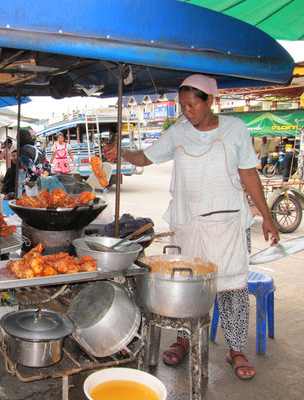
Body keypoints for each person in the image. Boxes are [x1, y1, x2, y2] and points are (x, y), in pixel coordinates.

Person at [104, 74, 279, 380]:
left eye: (192, 104)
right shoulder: (179, 132)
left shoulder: (235, 129)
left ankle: (235, 348)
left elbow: (249, 175)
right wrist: (121, 153)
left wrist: (267, 216)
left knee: (231, 288)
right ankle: (183, 339)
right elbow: (146, 158)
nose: (186, 111)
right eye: (182, 105)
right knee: (186, 287)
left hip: (226, 224)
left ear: (210, 101)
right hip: (189, 222)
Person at [18, 129, 51, 196]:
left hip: (29, 187)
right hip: (41, 186)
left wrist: (41, 176)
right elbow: (47, 165)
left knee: (28, 203)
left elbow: (30, 167)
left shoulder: (23, 151)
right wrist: (44, 176)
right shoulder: (38, 150)